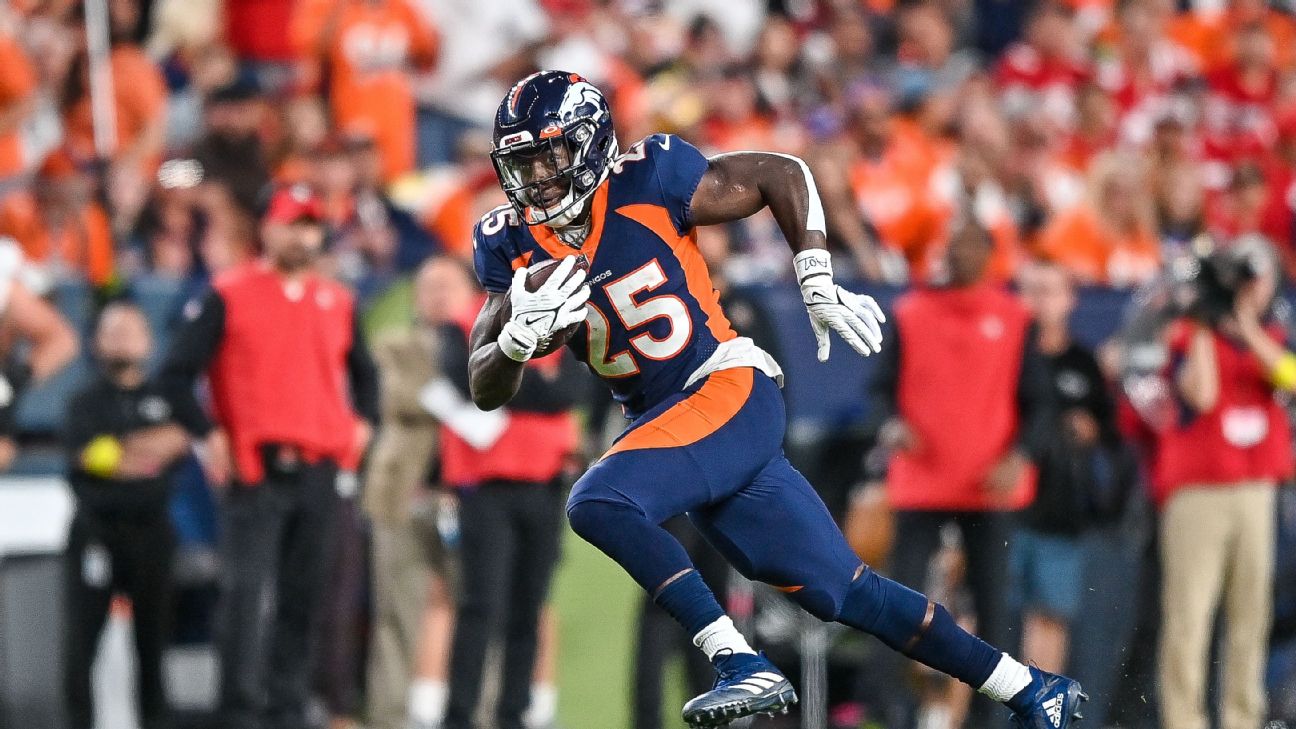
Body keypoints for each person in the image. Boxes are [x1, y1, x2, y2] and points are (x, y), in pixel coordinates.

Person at [466, 71, 1085, 729]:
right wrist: (513, 340)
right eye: (522, 162)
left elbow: (779, 171)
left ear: (590, 146)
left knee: (598, 501)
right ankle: (1030, 687)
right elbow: (484, 383)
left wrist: (814, 275)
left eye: (549, 157)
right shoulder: (511, 244)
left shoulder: (649, 179)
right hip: (672, 423)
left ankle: (737, 658)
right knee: (843, 590)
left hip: (723, 387)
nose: (536, 178)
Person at [159, 183, 379, 729]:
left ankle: (286, 711)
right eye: (291, 223)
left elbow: (365, 374)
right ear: (267, 229)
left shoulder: (338, 299)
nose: (302, 234)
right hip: (255, 469)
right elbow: (175, 376)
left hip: (320, 468)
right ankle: (237, 713)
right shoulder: (228, 293)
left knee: (306, 598)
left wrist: (364, 423)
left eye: (309, 224)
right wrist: (208, 433)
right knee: (244, 597)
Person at [868, 220, 1054, 727]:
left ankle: (990, 717)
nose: (955, 252)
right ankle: (889, 710)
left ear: (990, 253)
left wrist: (1019, 455)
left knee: (996, 611)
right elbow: (880, 390)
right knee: (895, 601)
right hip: (922, 482)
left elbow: (1038, 403)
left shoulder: (1015, 316)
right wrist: (891, 425)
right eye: (950, 244)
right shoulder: (909, 312)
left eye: (967, 243)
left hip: (988, 485)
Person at [1155, 239, 1293, 729]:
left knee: (1250, 616)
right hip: (1198, 492)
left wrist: (1248, 326)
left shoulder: (1274, 333)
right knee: (1190, 616)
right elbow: (1205, 395)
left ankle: (1242, 718)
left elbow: (1289, 376)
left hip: (1256, 489)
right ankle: (1183, 719)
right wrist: (1204, 321)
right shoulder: (1189, 334)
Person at [439, 276, 584, 729]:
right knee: (481, 605)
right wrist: (538, 381)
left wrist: (510, 375)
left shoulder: (566, 317)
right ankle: (459, 715)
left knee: (529, 606)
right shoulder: (466, 321)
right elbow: (469, 385)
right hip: (487, 485)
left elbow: (574, 391)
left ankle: (512, 715)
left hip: (545, 483)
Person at [62, 302, 190, 729]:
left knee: (151, 645)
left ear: (149, 342)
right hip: (96, 532)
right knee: (82, 644)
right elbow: (87, 456)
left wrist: (118, 452)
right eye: (111, 331)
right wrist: (147, 450)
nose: (121, 339)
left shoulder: (165, 397)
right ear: (96, 342)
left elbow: (180, 440)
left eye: (130, 331)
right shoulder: (84, 401)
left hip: (151, 533)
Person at [364, 256, 471, 729]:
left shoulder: (489, 345)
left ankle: (478, 714)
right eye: (428, 286)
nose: (438, 295)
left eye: (449, 285)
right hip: (403, 493)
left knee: (478, 612)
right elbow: (394, 396)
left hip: (468, 497)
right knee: (394, 614)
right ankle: (388, 718)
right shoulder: (394, 344)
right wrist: (465, 395)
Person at [1014, 262, 1135, 674]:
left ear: (1070, 298)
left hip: (1059, 511)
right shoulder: (1007, 354)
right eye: (1030, 290)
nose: (1038, 301)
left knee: (1051, 617)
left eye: (1049, 290)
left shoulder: (1084, 364)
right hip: (1003, 505)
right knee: (985, 618)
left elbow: (1111, 436)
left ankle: (1038, 711)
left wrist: (1090, 430)